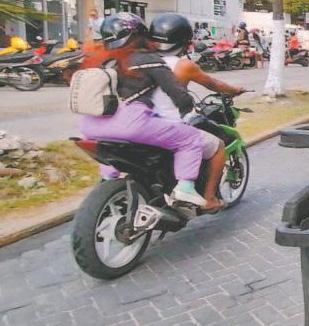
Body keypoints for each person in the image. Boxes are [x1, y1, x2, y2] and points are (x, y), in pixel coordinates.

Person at [77, 13, 226, 210]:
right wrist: (188, 111)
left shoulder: (98, 60)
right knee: (190, 139)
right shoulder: (147, 59)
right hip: (130, 124)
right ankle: (185, 189)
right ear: (140, 36)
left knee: (110, 146)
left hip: (90, 125)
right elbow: (176, 92)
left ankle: (107, 179)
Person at [149, 13, 246, 205]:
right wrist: (235, 90)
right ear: (185, 41)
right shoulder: (184, 65)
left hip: (140, 124)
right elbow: (214, 84)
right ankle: (209, 199)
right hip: (170, 126)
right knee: (218, 146)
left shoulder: (139, 60)